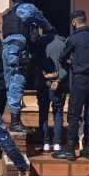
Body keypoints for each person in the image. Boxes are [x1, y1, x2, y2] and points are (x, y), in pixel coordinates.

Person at [1, 0, 51, 133]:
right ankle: (15, 123)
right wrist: (50, 29)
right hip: (18, 49)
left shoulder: (7, 13)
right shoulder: (27, 8)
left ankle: (14, 119)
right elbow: (42, 21)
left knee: (10, 84)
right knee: (18, 83)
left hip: (6, 49)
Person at [56, 10, 89, 161]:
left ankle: (71, 149)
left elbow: (62, 58)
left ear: (74, 22)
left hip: (80, 80)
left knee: (74, 114)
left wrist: (72, 64)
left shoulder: (74, 38)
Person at [34, 25, 68, 153]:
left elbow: (35, 63)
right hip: (57, 83)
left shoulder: (39, 43)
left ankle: (45, 143)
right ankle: (57, 143)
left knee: (43, 113)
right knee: (58, 112)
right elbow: (66, 65)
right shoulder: (62, 43)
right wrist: (59, 78)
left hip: (43, 83)